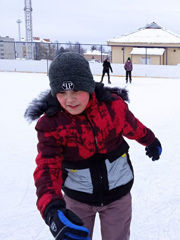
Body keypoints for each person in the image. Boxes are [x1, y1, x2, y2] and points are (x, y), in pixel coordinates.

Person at [24, 52, 162, 240]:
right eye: (62, 93)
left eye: (76, 91)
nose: (69, 99)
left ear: (88, 86)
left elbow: (133, 126)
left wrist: (151, 141)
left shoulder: (112, 107)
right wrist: (52, 208)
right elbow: (47, 167)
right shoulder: (52, 124)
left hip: (118, 196)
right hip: (77, 198)